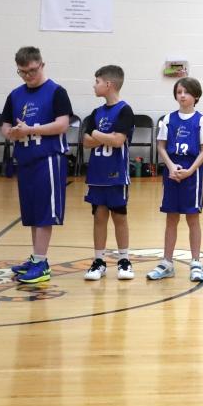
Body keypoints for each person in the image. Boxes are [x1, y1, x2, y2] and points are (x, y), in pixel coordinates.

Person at [3, 46, 73, 284]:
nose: (27, 76)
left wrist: (31, 130)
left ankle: (42, 263)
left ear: (41, 65)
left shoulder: (56, 92)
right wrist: (12, 132)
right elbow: (4, 125)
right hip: (25, 160)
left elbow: (62, 124)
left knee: (44, 213)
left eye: (31, 70)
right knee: (32, 213)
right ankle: (35, 258)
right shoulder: (15, 95)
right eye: (22, 72)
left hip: (48, 159)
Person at [147, 77, 203, 283]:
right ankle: (167, 263)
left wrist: (191, 170)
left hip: (192, 175)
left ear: (196, 96)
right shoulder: (168, 119)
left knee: (193, 218)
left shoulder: (201, 121)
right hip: (172, 173)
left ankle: (195, 263)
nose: (182, 95)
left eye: (186, 92)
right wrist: (170, 166)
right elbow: (161, 146)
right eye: (179, 92)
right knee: (171, 218)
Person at [82, 66, 135, 281]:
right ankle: (99, 261)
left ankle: (124, 260)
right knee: (99, 216)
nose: (94, 85)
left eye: (96, 81)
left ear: (108, 84)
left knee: (119, 216)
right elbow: (85, 143)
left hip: (116, 174)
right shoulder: (96, 112)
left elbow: (117, 140)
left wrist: (94, 132)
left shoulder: (125, 110)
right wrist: (104, 136)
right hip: (96, 174)